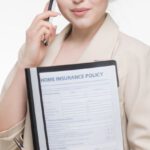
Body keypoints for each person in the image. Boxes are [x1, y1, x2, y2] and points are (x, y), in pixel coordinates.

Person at [0, 0, 150, 149]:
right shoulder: (34, 50)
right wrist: (26, 63)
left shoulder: (136, 56)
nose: (77, 0)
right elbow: (5, 141)